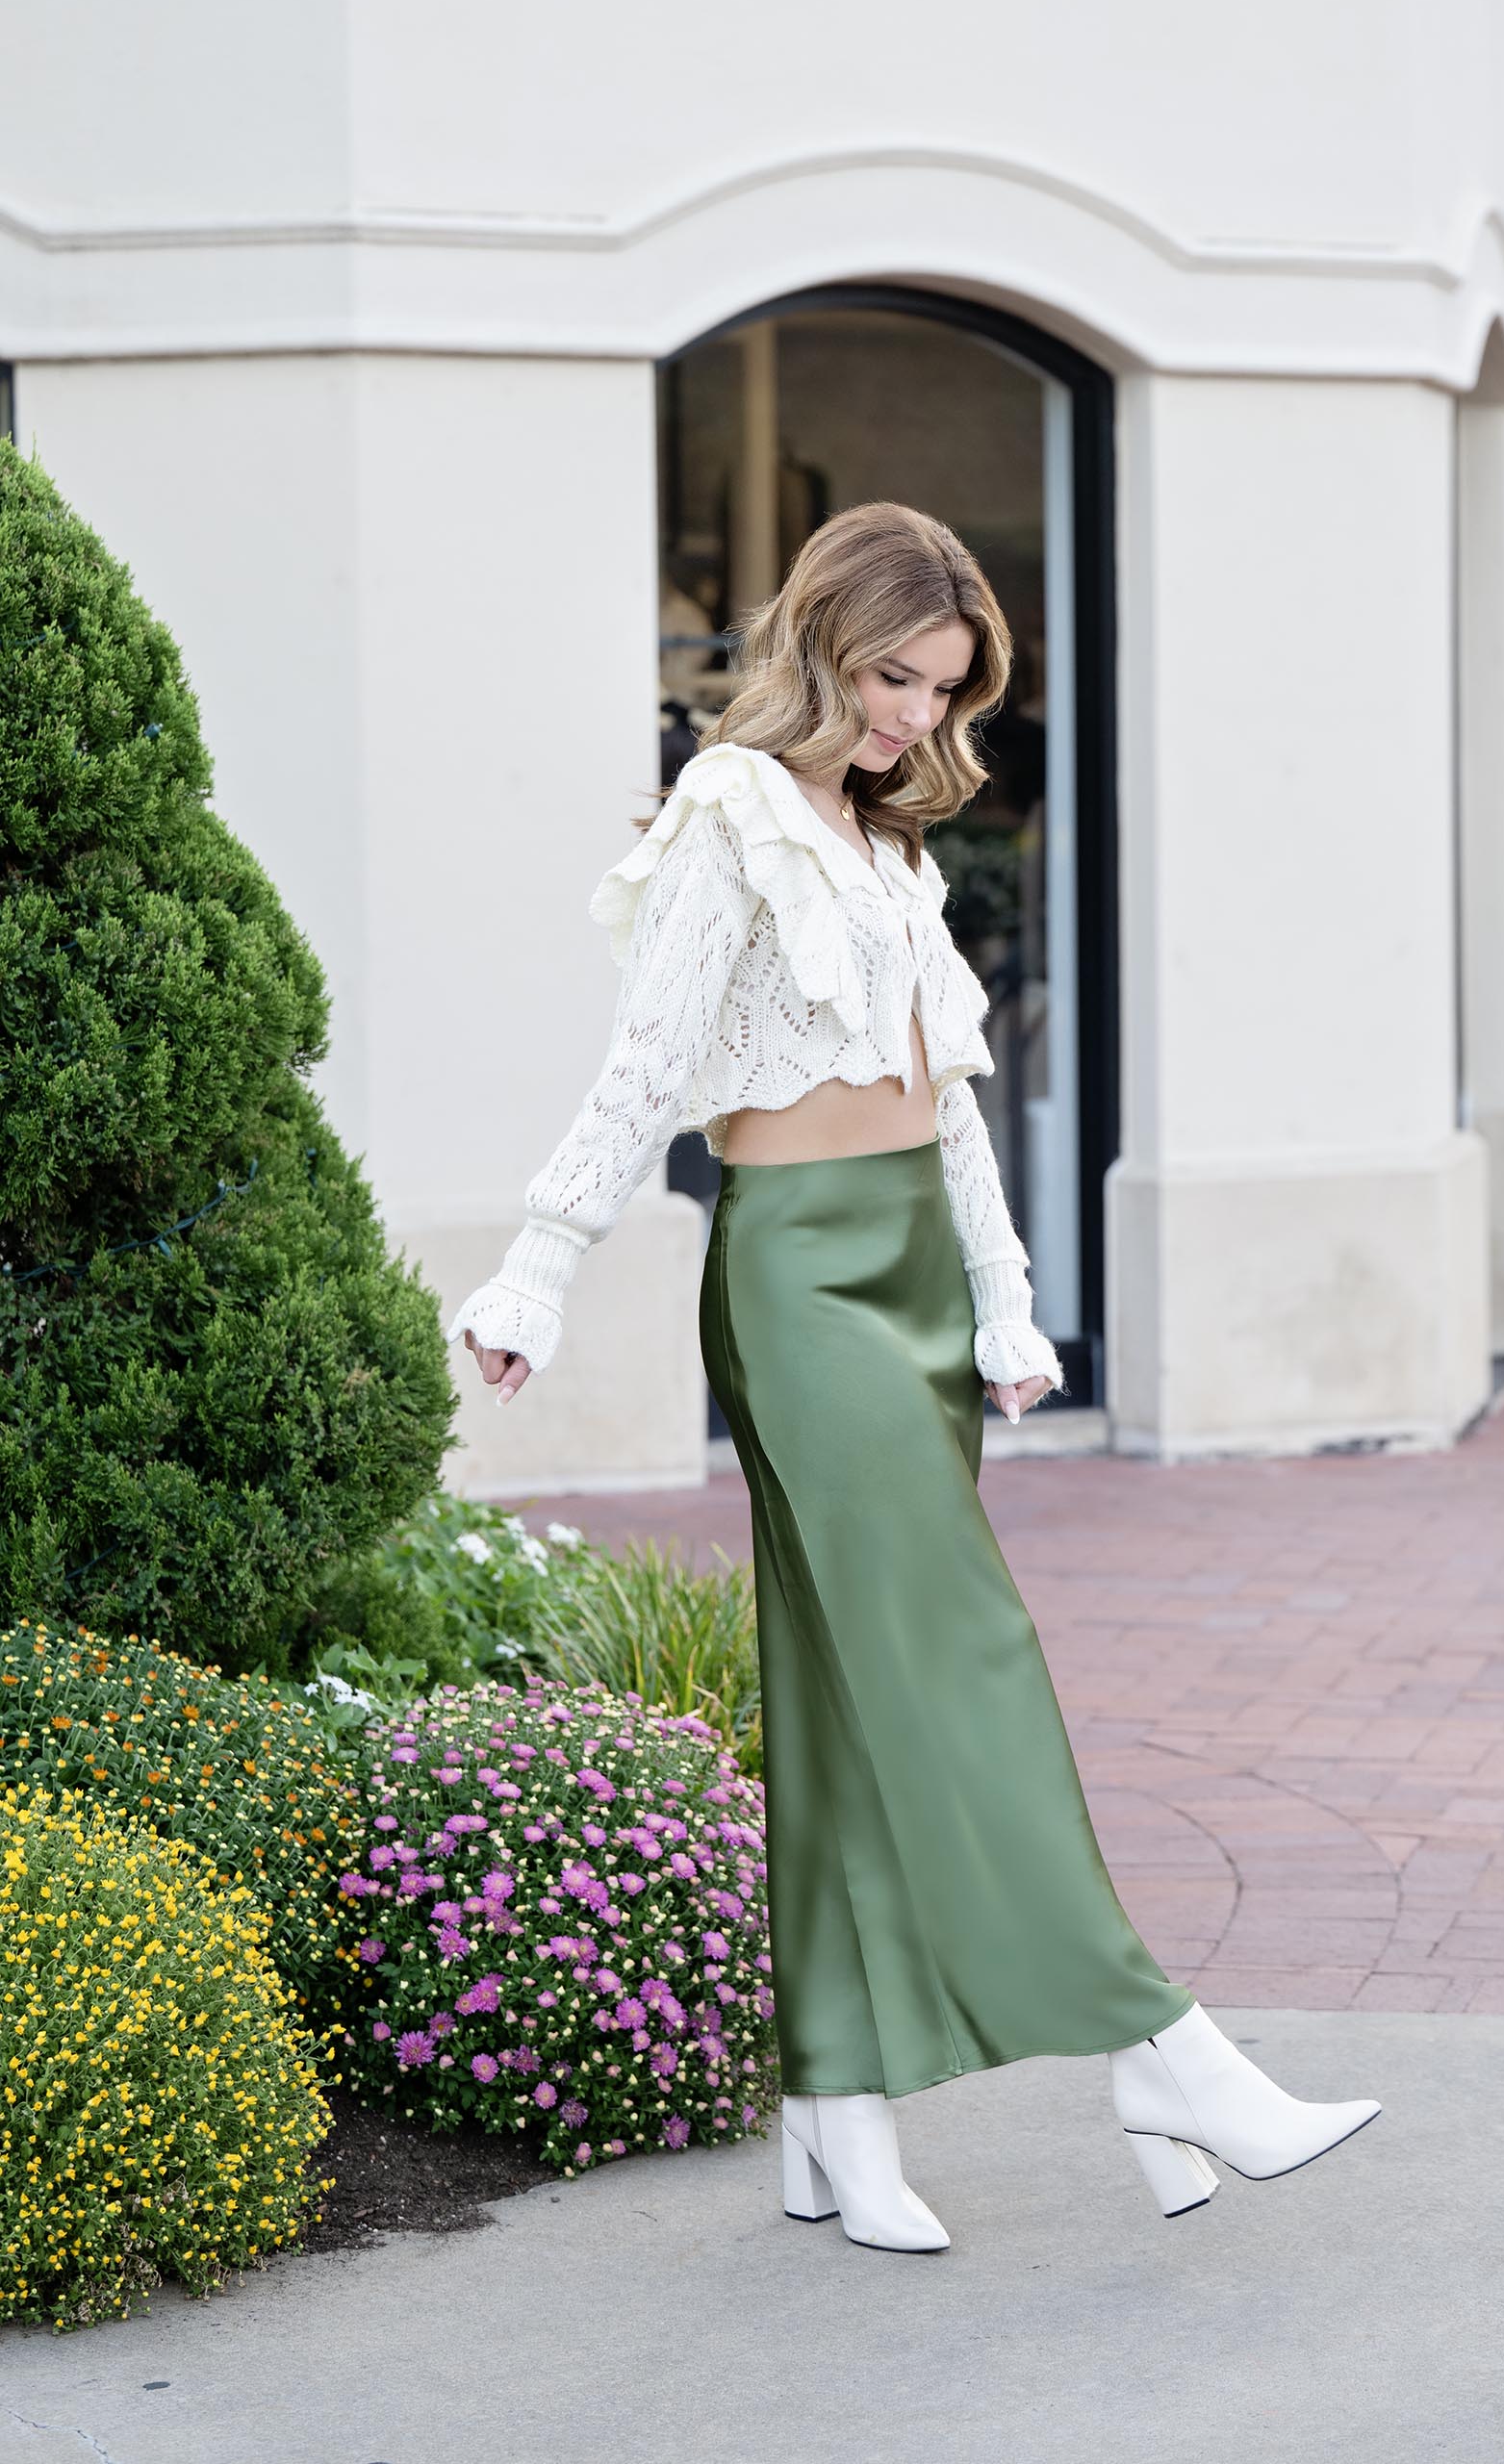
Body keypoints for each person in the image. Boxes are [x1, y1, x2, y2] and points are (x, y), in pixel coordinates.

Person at [450, 500, 1380, 2251]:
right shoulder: (733, 815)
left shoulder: (887, 848)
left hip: (919, 1280)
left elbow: (942, 1093)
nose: (909, 718)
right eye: (893, 677)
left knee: (843, 1696)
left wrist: (1012, 1302)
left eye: (940, 691)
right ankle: (1161, 2046)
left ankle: (836, 2109)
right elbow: (645, 1061)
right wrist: (539, 1264)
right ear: (821, 641)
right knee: (966, 1645)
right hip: (799, 1275)